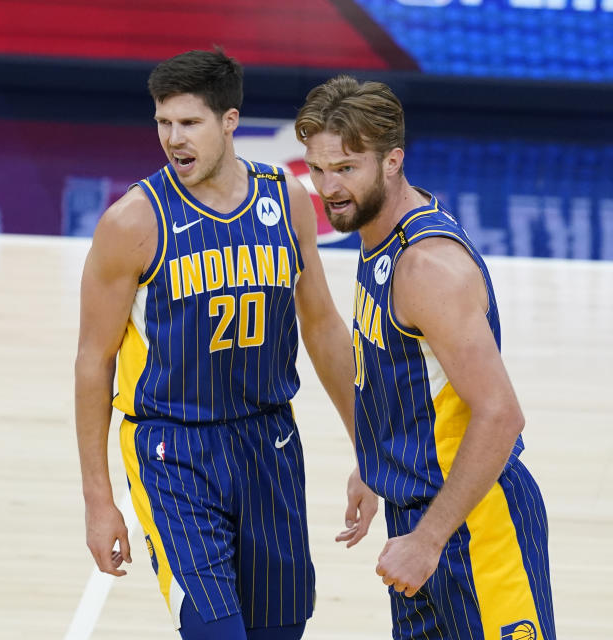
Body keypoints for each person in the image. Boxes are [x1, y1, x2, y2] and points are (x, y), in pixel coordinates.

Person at [74, 49, 377, 640]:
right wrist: (98, 498)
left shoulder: (284, 197)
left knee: (279, 632)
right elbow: (93, 361)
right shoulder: (132, 223)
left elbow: (321, 326)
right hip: (174, 450)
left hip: (269, 443)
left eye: (189, 123)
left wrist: (368, 449)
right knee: (216, 632)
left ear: (230, 122)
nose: (172, 139)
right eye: (163, 122)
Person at [294, 75, 556, 640]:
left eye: (345, 167)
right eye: (317, 170)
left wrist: (430, 539)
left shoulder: (427, 267)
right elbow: (401, 373)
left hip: (473, 525)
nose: (328, 187)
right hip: (419, 514)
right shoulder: (378, 233)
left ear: (392, 161)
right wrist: (377, 457)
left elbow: (501, 415)